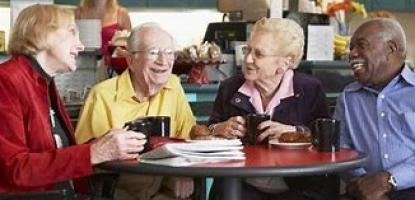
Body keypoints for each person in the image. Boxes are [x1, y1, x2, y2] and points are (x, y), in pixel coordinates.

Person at [0, 4, 146, 195]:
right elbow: (14, 168)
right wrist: (93, 153)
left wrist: (102, 144)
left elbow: (55, 154)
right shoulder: (7, 80)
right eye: (72, 32)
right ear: (43, 32)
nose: (81, 45)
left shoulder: (44, 82)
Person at [203, 18, 336, 200]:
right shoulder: (230, 87)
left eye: (259, 54)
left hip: (298, 189)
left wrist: (296, 133)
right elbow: (206, 134)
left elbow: (328, 143)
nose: (248, 59)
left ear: (284, 63)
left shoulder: (309, 89)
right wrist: (217, 129)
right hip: (241, 185)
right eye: (247, 50)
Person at [75, 23, 196, 200]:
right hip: (119, 193)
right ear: (131, 60)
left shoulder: (174, 85)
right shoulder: (103, 95)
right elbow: (85, 159)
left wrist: (184, 173)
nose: (163, 61)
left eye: (170, 53)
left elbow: (188, 139)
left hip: (164, 192)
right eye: (153, 52)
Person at [334, 18, 415, 200]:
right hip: (362, 191)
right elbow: (340, 150)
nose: (352, 54)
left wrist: (388, 180)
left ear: (390, 49)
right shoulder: (348, 97)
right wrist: (364, 184)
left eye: (361, 46)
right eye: (351, 48)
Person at [75, 0, 132, 79]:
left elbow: (129, 44)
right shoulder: (79, 12)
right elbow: (73, 41)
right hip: (84, 67)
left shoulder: (121, 13)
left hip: (112, 70)